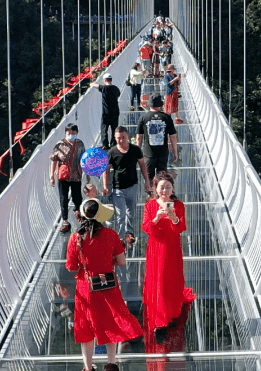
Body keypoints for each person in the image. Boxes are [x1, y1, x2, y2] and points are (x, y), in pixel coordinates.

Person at [66, 198, 143, 371]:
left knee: (86, 328)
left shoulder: (75, 239)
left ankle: (88, 367)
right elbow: (122, 261)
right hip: (108, 285)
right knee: (111, 322)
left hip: (86, 288)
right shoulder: (111, 234)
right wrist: (108, 261)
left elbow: (71, 267)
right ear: (100, 216)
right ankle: (111, 363)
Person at [142, 172, 197, 335]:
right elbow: (146, 228)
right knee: (158, 278)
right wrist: (157, 218)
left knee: (172, 277)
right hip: (157, 247)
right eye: (162, 187)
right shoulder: (150, 205)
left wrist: (174, 218)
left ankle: (172, 310)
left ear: (172, 188)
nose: (165, 190)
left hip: (172, 247)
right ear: (156, 189)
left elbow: (181, 228)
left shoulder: (178, 205)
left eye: (168, 187)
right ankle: (160, 316)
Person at [104, 126, 150, 249]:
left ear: (128, 136)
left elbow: (143, 166)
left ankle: (129, 233)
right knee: (121, 214)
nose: (121, 140)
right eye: (118, 138)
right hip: (118, 187)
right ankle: (121, 237)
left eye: (123, 137)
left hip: (132, 185)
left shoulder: (135, 150)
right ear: (115, 138)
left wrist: (147, 182)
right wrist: (106, 186)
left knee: (131, 212)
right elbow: (106, 170)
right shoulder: (112, 152)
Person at [50, 123, 87, 233]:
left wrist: (87, 173)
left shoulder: (80, 144)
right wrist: (52, 175)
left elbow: (84, 159)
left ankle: (78, 211)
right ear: (65, 133)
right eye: (68, 133)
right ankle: (65, 220)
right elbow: (54, 160)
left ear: (77, 132)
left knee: (77, 196)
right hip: (63, 176)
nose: (71, 135)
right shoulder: (60, 144)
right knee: (63, 198)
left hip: (76, 174)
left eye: (73, 133)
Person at [136, 95, 178, 177]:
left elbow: (139, 138)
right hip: (163, 153)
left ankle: (150, 190)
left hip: (148, 154)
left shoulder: (143, 118)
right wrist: (175, 152)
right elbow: (173, 136)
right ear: (160, 105)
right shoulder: (166, 117)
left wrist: (138, 153)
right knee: (161, 178)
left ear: (150, 105)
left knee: (149, 179)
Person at [90, 73, 121, 149]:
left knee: (104, 128)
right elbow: (118, 94)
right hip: (115, 112)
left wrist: (92, 83)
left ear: (104, 80)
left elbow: (94, 85)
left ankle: (105, 145)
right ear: (111, 80)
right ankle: (113, 144)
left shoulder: (104, 88)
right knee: (114, 129)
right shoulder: (116, 88)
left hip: (106, 113)